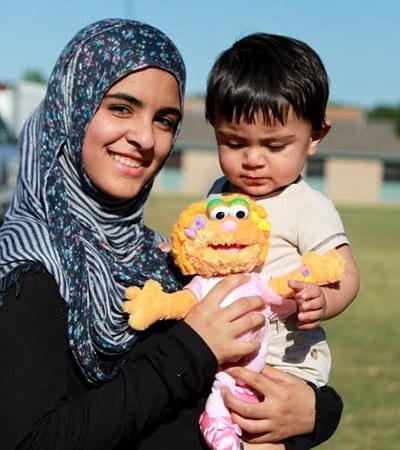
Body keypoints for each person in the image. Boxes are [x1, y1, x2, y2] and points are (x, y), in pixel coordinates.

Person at [0, 19, 342, 450]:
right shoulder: (27, 268)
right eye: (121, 108)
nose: (145, 138)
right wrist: (192, 349)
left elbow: (217, 399)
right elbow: (33, 441)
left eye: (165, 120)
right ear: (73, 108)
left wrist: (317, 411)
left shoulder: (161, 255)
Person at [203, 32, 360, 447]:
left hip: (284, 364)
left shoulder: (306, 205)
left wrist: (323, 300)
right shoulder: (220, 192)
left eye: (274, 145)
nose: (252, 159)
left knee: (259, 438)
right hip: (228, 356)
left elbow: (345, 271)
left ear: (314, 137)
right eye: (233, 142)